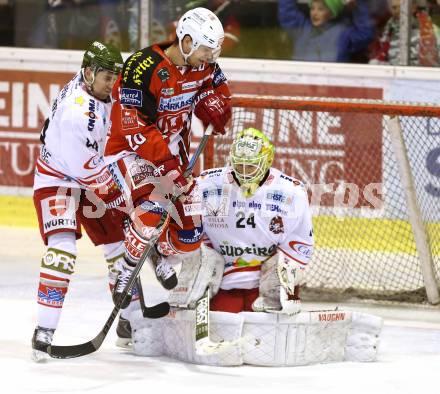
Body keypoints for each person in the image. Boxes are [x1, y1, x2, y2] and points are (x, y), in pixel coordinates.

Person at [104, 7, 231, 311]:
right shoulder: (141, 66)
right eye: (204, 49)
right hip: (132, 151)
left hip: (172, 156)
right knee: (153, 207)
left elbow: (218, 89)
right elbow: (133, 126)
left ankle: (154, 249)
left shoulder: (205, 66)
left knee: (189, 236)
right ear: (186, 41)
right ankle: (127, 268)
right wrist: (165, 164)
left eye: (214, 51)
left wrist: (215, 105)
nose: (209, 57)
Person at [31, 41, 127, 361]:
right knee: (62, 251)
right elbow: (93, 177)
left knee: (121, 248)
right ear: (88, 73)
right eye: (106, 77)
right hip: (57, 180)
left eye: (115, 76)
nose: (111, 83)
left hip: (84, 174)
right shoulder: (77, 113)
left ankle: (132, 322)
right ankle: (44, 330)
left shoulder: (93, 83)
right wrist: (127, 206)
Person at [195, 128, 314, 314]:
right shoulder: (207, 185)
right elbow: (195, 231)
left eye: (250, 166)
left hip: (269, 282)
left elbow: (300, 243)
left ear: (266, 162)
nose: (243, 173)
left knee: (266, 338)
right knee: (222, 330)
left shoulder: (291, 192)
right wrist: (205, 260)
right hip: (223, 279)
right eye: (238, 165)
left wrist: (279, 274)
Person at [278, 0, 374, 62]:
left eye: (320, 9)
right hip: (300, 84)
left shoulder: (343, 33)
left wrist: (358, 6)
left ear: (332, 13)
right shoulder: (302, 28)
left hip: (330, 87)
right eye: (312, 8)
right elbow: (287, 13)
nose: (314, 13)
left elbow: (365, 34)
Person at [369, 0, 440, 66]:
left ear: (413, 7)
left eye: (398, 7)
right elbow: (382, 50)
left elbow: (431, 61)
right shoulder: (390, 25)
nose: (396, 11)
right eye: (394, 8)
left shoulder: (428, 27)